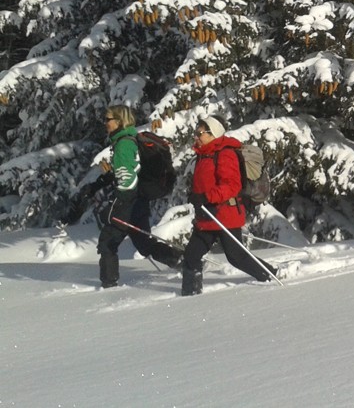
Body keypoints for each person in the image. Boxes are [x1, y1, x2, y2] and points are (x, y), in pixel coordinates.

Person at [181, 116, 277, 295]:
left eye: (200, 133)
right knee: (191, 256)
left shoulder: (225, 153)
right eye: (196, 132)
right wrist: (195, 195)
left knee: (237, 257)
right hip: (206, 215)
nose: (196, 136)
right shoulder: (204, 155)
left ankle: (271, 274)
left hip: (225, 215)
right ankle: (190, 296)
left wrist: (205, 197)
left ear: (213, 133)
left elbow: (232, 186)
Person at [95, 105, 183, 288]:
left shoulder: (124, 144)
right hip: (137, 201)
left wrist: (116, 205)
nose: (105, 123)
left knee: (108, 242)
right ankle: (184, 262)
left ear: (119, 121)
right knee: (143, 243)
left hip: (128, 201)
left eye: (108, 119)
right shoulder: (128, 140)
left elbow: (127, 178)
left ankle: (108, 286)